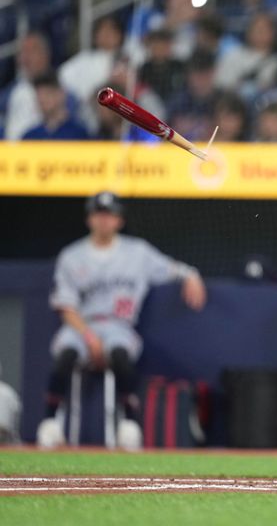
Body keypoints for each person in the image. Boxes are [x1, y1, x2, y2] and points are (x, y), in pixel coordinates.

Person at [36, 192, 206, 449]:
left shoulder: (137, 252)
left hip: (118, 326)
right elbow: (66, 306)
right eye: (99, 214)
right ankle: (50, 424)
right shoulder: (72, 256)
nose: (104, 220)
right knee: (67, 353)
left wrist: (191, 275)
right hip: (82, 325)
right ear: (89, 218)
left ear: (119, 220)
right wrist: (89, 337)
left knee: (120, 354)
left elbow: (172, 269)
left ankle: (129, 425)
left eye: (109, 215)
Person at [22, 73, 89, 140]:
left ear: (61, 94)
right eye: (39, 96)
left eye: (47, 94)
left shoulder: (79, 134)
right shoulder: (30, 137)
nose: (43, 100)